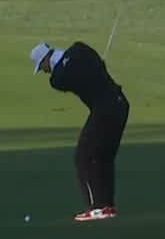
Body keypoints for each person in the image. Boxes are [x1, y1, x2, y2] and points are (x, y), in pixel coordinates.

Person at [31, 40, 131, 221]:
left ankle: (97, 208)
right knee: (103, 157)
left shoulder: (56, 78)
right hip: (120, 104)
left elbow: (61, 77)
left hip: (106, 108)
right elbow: (93, 61)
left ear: (46, 58)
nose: (44, 70)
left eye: (42, 66)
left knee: (83, 157)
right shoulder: (78, 48)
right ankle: (106, 206)